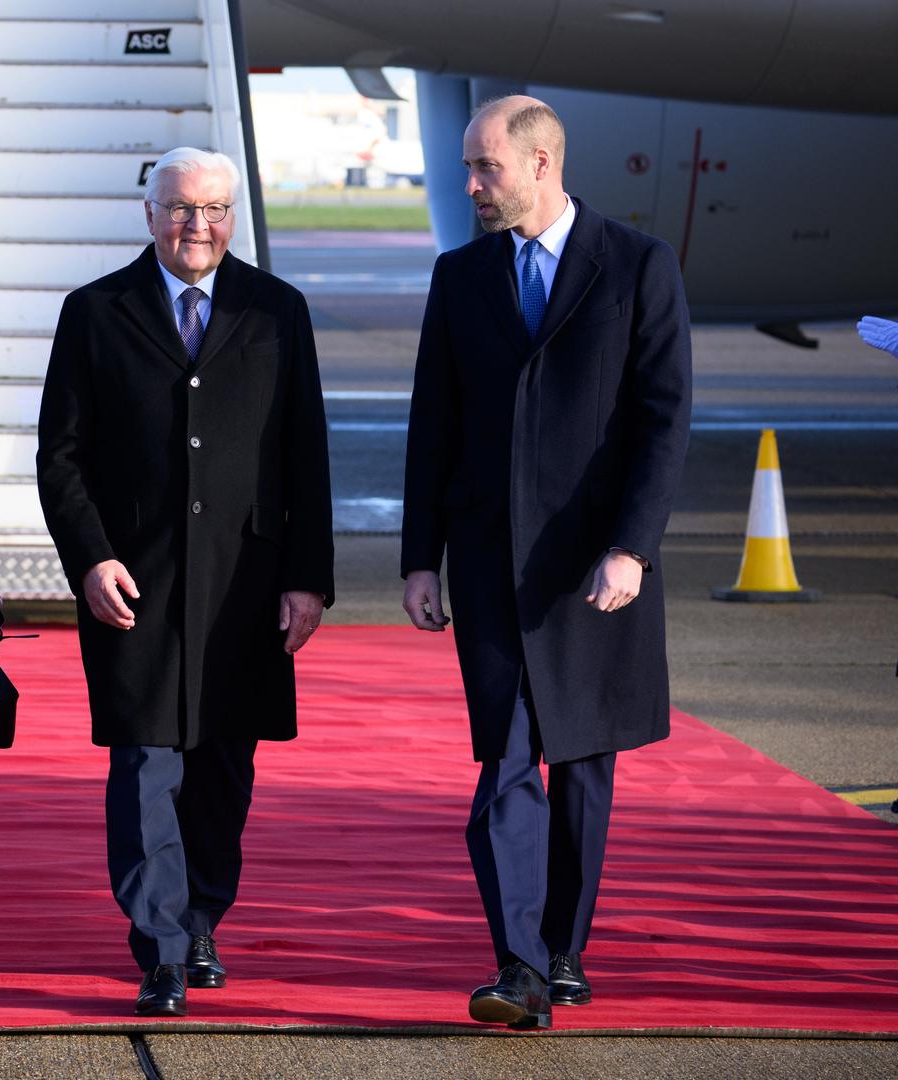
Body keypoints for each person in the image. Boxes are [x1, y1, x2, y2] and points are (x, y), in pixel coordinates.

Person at [400, 96, 692, 1030]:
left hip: (595, 570)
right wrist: (419, 560)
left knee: (585, 765)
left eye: (486, 169)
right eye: (468, 169)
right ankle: (518, 966)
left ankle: (565, 950)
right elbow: (432, 425)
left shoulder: (637, 265)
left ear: (541, 164)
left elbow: (662, 420)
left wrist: (633, 548)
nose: (471, 186)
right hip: (489, 564)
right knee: (505, 764)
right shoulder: (460, 276)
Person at [35, 147, 334, 1018]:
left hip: (247, 584)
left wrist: (308, 579)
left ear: (234, 217)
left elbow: (305, 456)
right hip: (137, 583)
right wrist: (90, 557)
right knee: (144, 767)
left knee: (223, 770)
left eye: (212, 210)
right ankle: (162, 948)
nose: (195, 226)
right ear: (149, 214)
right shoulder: (94, 313)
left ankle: (203, 915)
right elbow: (60, 458)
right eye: (178, 209)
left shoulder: (279, 312)